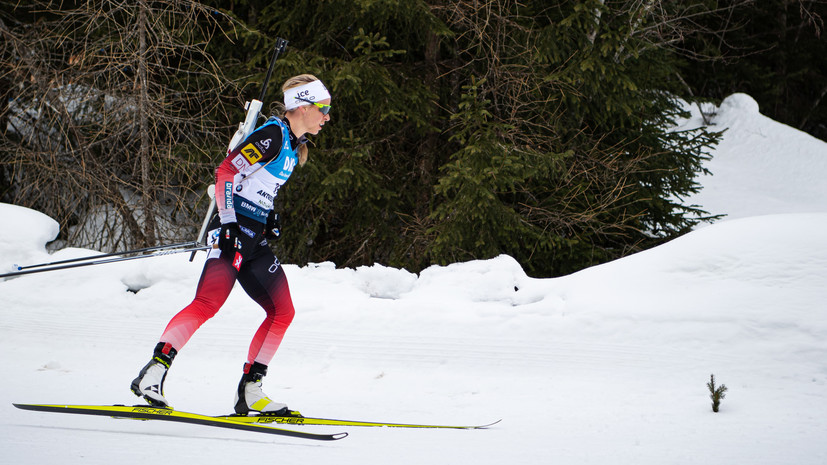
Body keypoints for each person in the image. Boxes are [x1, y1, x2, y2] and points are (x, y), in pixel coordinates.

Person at [130, 74, 332, 416]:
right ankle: (153, 373)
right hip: (232, 231)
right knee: (207, 303)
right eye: (323, 108)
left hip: (253, 238)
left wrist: (267, 217)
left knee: (283, 311)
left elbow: (255, 186)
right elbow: (226, 171)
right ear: (302, 106)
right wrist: (227, 223)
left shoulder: (293, 144)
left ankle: (251, 391)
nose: (327, 116)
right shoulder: (271, 135)